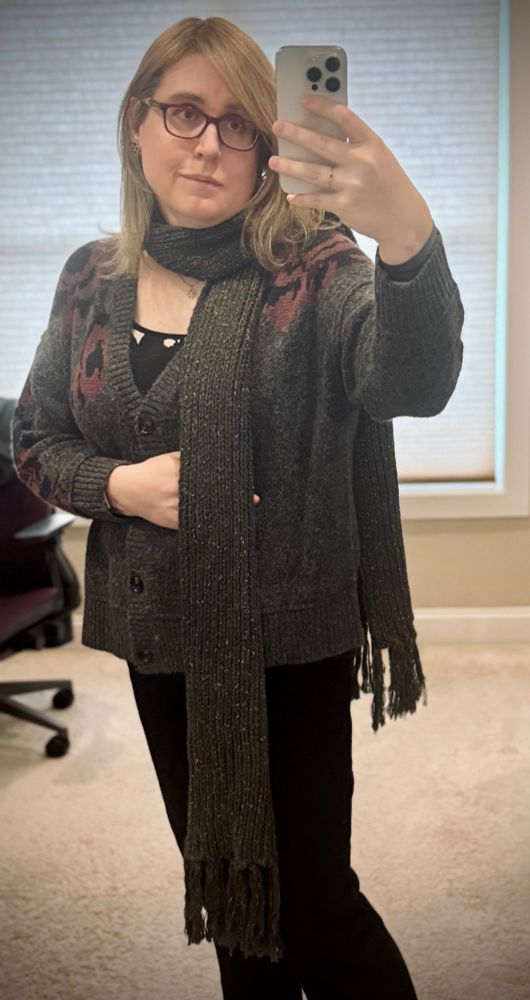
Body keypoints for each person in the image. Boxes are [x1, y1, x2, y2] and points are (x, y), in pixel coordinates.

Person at [12, 16, 464, 1000]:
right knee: (229, 889)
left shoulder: (319, 268)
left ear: (266, 145)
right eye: (183, 112)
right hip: (158, 636)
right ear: (138, 125)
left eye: (237, 123)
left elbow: (412, 380)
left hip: (290, 632)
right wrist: (119, 486)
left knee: (315, 903)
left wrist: (405, 236)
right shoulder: (91, 278)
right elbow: (38, 438)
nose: (207, 143)